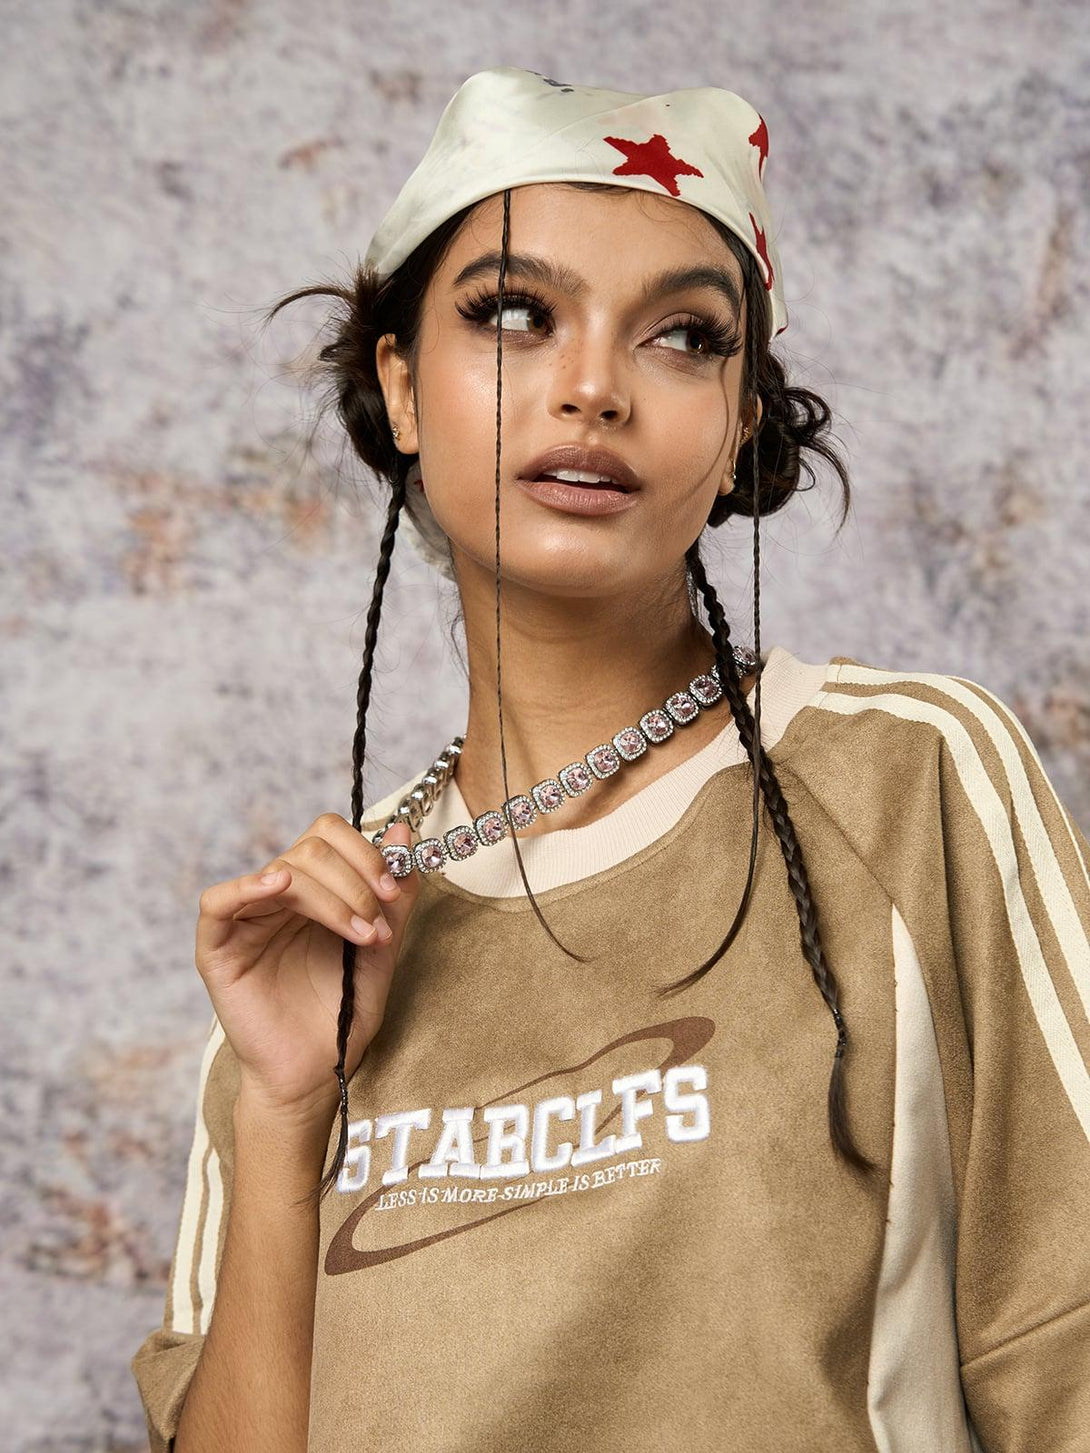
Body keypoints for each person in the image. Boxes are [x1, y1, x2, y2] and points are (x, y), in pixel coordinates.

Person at [131, 67, 1090, 1452]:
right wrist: (284, 1112)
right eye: (515, 314)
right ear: (401, 385)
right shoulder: (300, 959)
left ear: (740, 420)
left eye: (683, 338)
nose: (592, 388)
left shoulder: (913, 775)